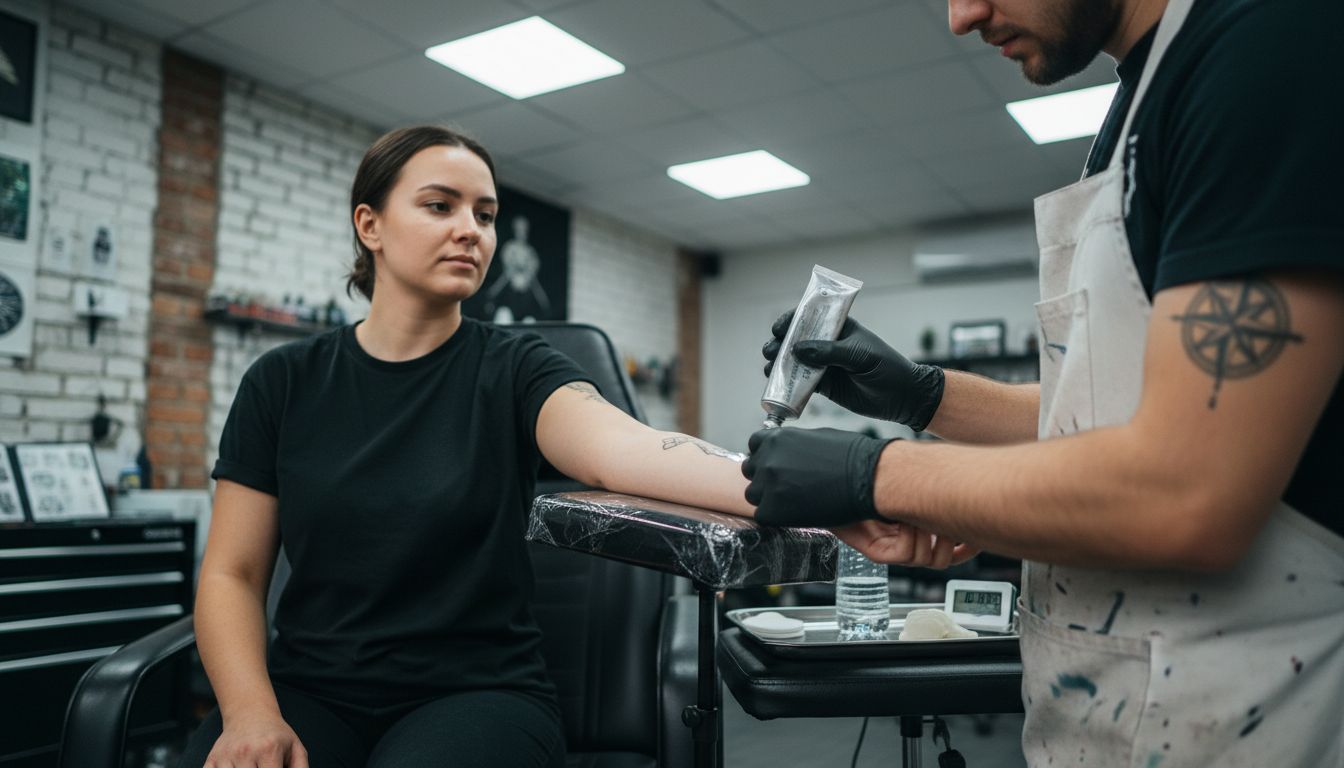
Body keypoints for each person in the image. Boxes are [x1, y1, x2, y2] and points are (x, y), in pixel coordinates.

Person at [742, 0, 1344, 764]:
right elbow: (1104, 414)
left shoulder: (1269, 45)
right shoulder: (1136, 104)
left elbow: (1191, 488)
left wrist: (877, 473)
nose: (963, 16)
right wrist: (924, 395)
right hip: (1123, 702)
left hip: (1255, 718)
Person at [181, 126, 757, 768]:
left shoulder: (517, 367)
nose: (471, 231)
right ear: (370, 225)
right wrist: (250, 714)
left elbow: (626, 450)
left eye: (484, 215)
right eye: (440, 206)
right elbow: (231, 574)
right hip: (309, 691)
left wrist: (812, 485)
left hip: (477, 696)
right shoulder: (282, 382)